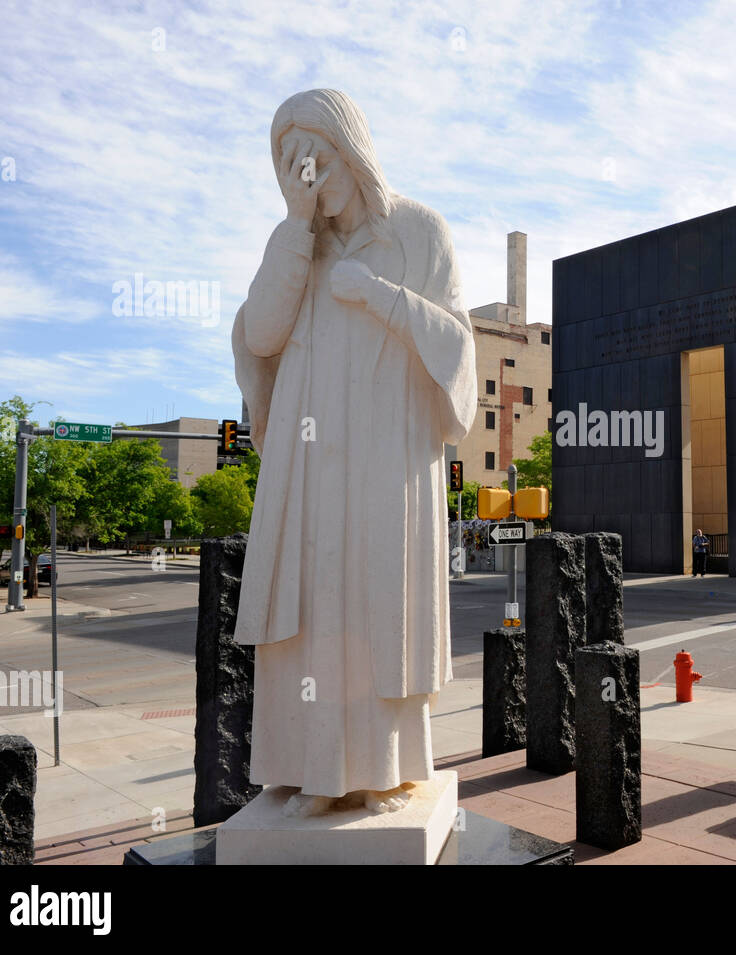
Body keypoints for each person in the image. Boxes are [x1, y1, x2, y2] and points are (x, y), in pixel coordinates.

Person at [231, 89, 476, 816]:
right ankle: (303, 769)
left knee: (376, 608)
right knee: (305, 607)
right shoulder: (295, 245)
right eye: (291, 167)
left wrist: (382, 298)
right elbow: (262, 335)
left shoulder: (419, 233)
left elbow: (460, 347)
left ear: (352, 147)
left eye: (317, 159)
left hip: (385, 456)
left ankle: (376, 771)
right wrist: (296, 227)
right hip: (308, 467)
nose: (307, 175)